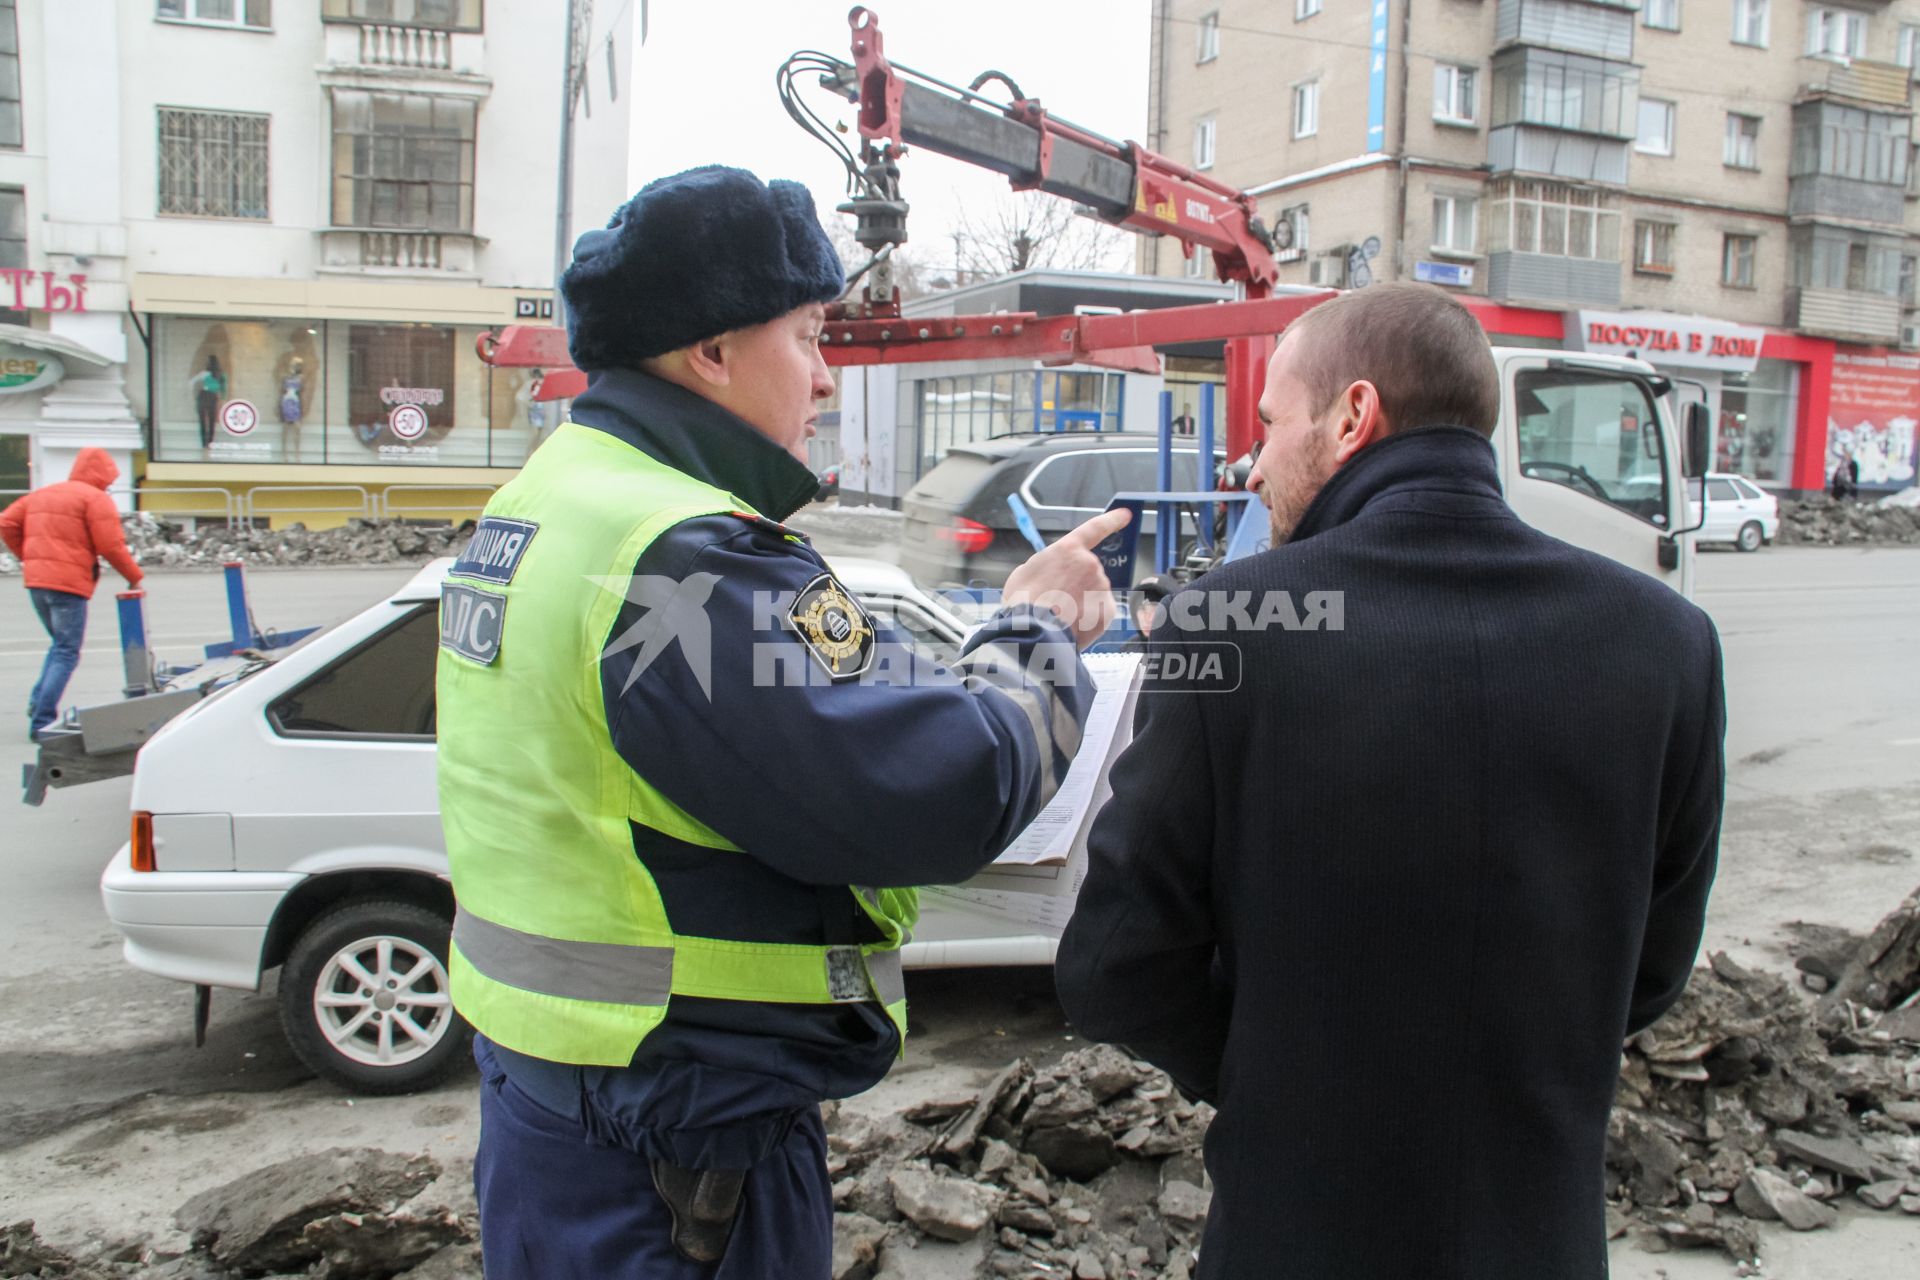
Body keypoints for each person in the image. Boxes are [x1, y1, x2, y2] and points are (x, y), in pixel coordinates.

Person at [436, 165, 1127, 1280]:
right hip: (674, 1151)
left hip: (559, 1109)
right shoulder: (680, 549)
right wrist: (1034, 636)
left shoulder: (560, 494)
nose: (822, 376)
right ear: (712, 350)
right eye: (807, 336)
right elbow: (928, 787)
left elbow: (822, 689)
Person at [1055, 283, 1725, 1279]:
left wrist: (1266, 1066)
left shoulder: (1226, 621)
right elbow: (1654, 964)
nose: (1252, 463)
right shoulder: (1669, 638)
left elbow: (1112, 965)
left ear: (1353, 416)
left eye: (1272, 423)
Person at [0, 448, 144, 739]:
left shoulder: (44, 493)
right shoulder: (95, 499)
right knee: (66, 651)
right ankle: (42, 721)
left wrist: (29, 558)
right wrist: (134, 577)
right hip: (67, 586)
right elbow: (110, 545)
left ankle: (37, 701)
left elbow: (6, 523)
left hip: (38, 583)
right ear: (101, 475)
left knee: (59, 646)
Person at [190, 356, 226, 448]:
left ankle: (204, 443)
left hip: (203, 396)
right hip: (212, 397)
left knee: (203, 422)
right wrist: (222, 399)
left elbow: (191, 382)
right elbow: (223, 390)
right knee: (211, 421)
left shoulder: (204, 374)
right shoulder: (221, 375)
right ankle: (210, 442)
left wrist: (194, 394)